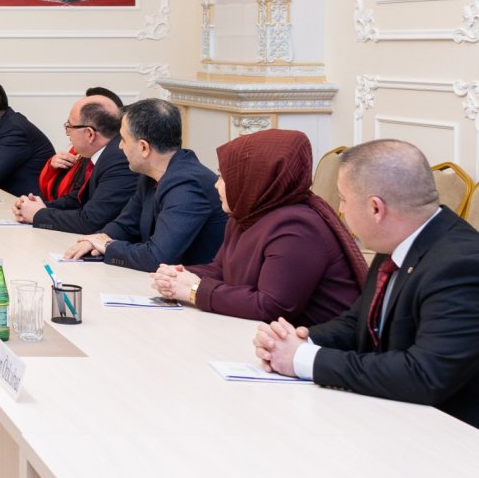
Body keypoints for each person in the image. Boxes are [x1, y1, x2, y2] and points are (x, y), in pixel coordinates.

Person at [254, 139, 479, 427]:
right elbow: (359, 322)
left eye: (343, 200)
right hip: (393, 413)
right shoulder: (398, 240)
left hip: (449, 433)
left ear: (375, 209)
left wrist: (305, 359)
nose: (340, 210)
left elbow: (424, 375)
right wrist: (299, 341)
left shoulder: (461, 265)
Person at [152, 129, 365, 324]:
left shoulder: (297, 227)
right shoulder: (247, 213)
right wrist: (178, 275)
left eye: (224, 177)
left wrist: (195, 290)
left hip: (314, 344)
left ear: (252, 179)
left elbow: (271, 307)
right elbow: (221, 269)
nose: (216, 184)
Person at [62, 99, 226, 270]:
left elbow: (157, 257)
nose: (119, 146)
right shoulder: (151, 174)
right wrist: (94, 241)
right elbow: (126, 225)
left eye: (123, 139)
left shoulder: (188, 187)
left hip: (190, 282)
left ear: (143, 148)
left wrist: (108, 246)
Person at [11, 94, 136, 234]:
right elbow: (76, 199)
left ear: (89, 134)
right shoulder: (96, 151)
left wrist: (38, 215)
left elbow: (90, 221)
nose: (68, 133)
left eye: (69, 126)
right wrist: (35, 207)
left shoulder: (119, 160)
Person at [37, 86, 124, 202]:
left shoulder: (115, 161)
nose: (67, 132)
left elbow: (86, 208)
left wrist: (40, 210)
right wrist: (52, 167)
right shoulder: (82, 149)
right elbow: (73, 199)